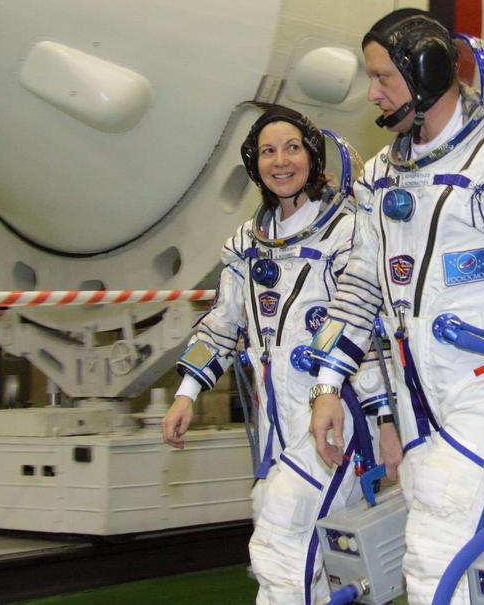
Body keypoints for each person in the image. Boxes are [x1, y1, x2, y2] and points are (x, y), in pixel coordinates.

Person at [307, 10, 484, 604]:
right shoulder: (381, 177)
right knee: (448, 557)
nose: (372, 91)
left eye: (383, 76)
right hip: (420, 400)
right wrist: (328, 384)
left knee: (439, 553)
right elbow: (360, 285)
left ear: (427, 73)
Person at [161, 105, 399, 605]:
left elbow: (368, 331)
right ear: (255, 164)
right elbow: (223, 323)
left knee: (282, 541)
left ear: (312, 155)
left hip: (338, 417)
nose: (281, 161)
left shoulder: (346, 233)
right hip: (276, 427)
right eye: (268, 151)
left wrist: (386, 423)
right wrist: (186, 394)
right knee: (294, 544)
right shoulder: (246, 246)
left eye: (292, 147)